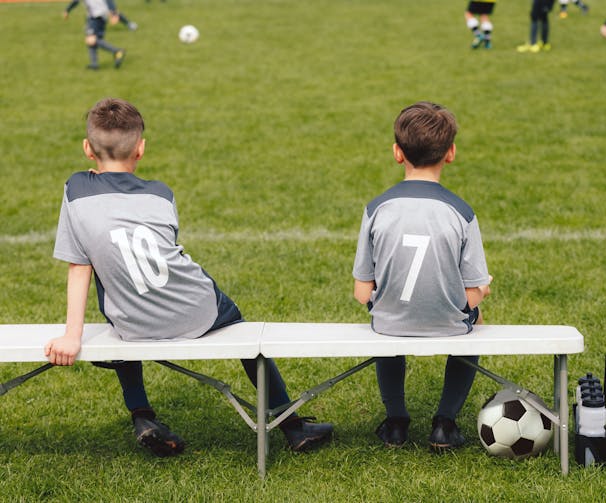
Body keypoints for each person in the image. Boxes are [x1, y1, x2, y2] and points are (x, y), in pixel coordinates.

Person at [45, 98, 333, 457]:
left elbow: (79, 266)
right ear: (141, 149)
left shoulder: (75, 189)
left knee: (117, 295)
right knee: (242, 330)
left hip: (133, 324)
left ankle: (142, 415)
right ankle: (291, 425)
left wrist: (72, 336)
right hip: (198, 309)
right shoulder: (160, 194)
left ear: (87, 149)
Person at [352, 102, 492, 451]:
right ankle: (445, 423)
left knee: (385, 315)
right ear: (451, 153)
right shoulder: (461, 212)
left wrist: (386, 302)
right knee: (476, 319)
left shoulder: (377, 208)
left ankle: (396, 422)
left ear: (397, 153)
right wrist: (473, 299)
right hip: (449, 323)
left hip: (389, 324)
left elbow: (360, 291)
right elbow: (476, 290)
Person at [63, 0, 126, 70]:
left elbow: (76, 1)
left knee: (91, 40)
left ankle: (117, 51)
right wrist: (113, 12)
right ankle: (94, 64)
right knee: (93, 40)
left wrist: (67, 10)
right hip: (100, 17)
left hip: (96, 17)